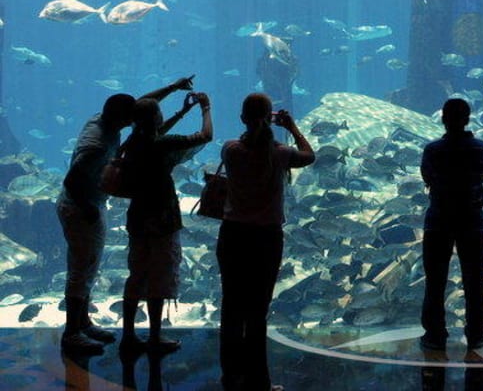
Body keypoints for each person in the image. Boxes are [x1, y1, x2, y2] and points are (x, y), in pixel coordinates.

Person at [56, 76, 194, 353]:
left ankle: (83, 322)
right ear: (123, 117)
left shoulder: (102, 119)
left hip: (89, 204)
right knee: (81, 270)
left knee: (89, 267)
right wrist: (87, 209)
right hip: (81, 207)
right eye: (132, 116)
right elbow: (72, 180)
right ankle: (72, 332)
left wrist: (172, 88)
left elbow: (140, 104)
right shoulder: (96, 144)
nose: (135, 119)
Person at [218, 92, 315, 391]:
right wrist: (293, 127)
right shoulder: (280, 153)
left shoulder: (230, 150)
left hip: (233, 235)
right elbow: (309, 155)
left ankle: (231, 376)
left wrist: (256, 126)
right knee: (257, 311)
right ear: (272, 117)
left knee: (231, 308)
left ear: (242, 118)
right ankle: (259, 381)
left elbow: (247, 142)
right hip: (265, 238)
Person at [120, 92, 213, 354]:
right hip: (162, 218)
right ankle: (154, 336)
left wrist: (181, 113)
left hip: (138, 217)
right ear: (156, 118)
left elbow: (153, 131)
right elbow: (205, 136)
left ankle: (128, 334)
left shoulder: (133, 142)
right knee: (159, 276)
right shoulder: (163, 145)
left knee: (136, 275)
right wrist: (206, 108)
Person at [419, 98, 483, 351]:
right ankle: (477, 334)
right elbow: (482, 175)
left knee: (435, 280)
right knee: (475, 279)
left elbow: (427, 178)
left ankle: (435, 334)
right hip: (472, 221)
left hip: (438, 220)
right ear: (468, 118)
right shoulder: (481, 148)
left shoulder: (433, 150)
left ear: (443, 119)